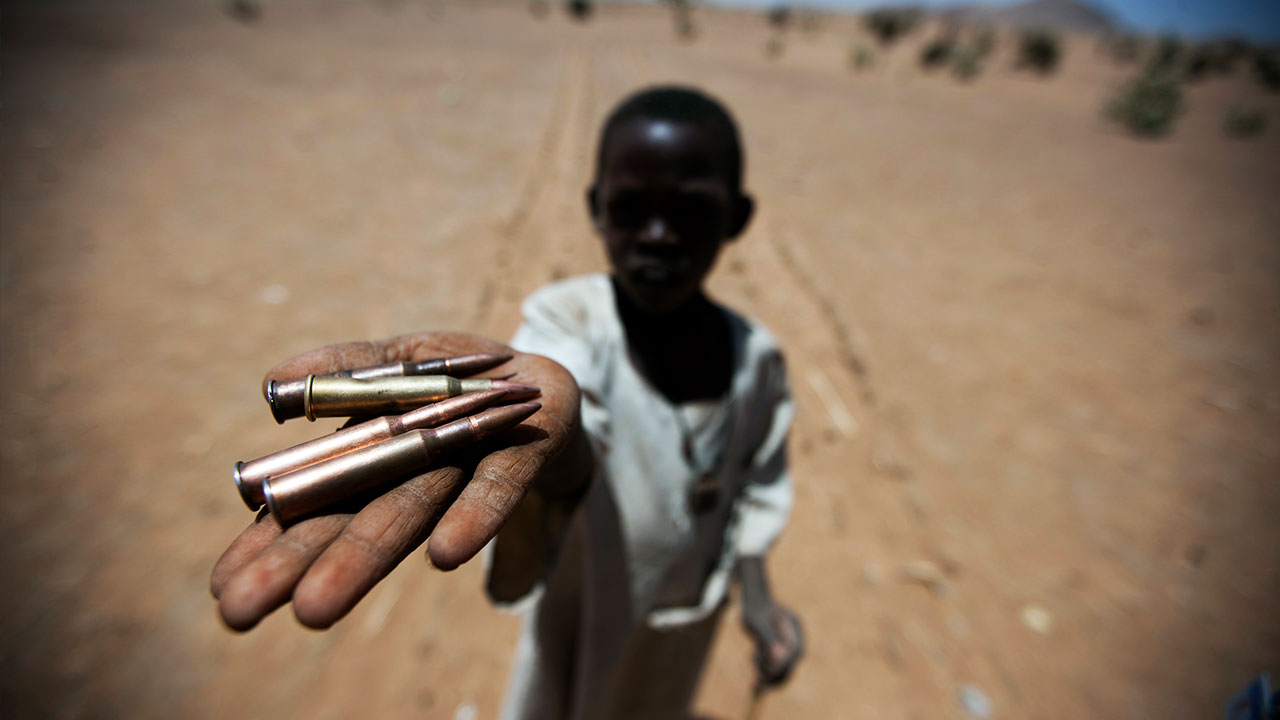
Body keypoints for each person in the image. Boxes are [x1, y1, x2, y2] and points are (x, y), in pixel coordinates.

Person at [209, 85, 802, 718]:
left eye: (690, 211)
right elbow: (562, 412)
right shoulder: (567, 320)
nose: (659, 235)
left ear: (736, 218)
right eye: (631, 208)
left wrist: (758, 601)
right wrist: (560, 439)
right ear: (597, 210)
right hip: (583, 618)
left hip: (687, 629)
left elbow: (758, 491)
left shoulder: (757, 357)